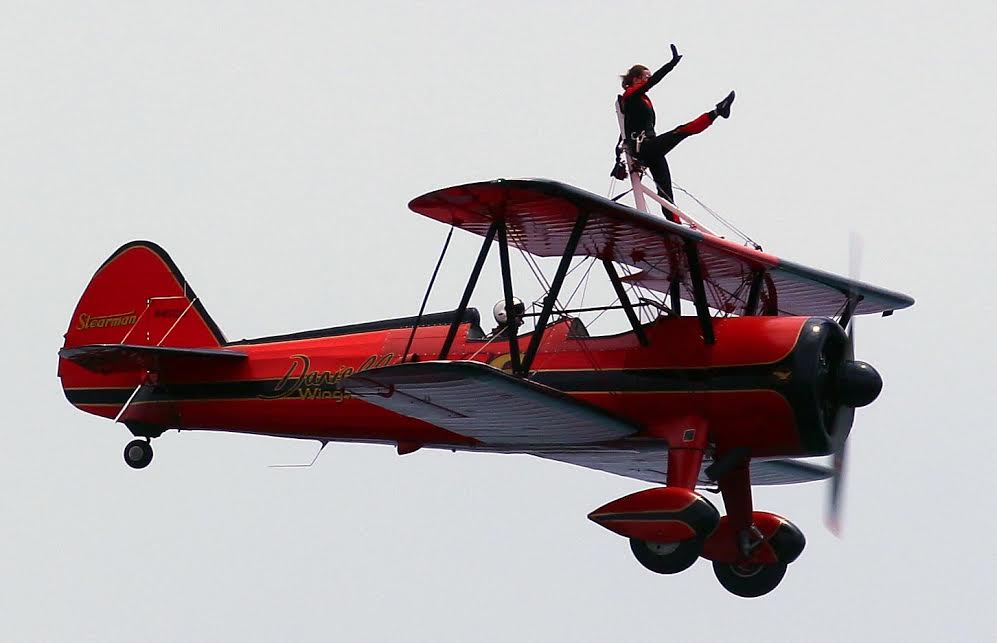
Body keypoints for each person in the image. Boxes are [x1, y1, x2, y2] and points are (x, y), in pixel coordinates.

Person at [620, 45, 735, 222]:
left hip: (652, 149)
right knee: (681, 131)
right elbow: (654, 82)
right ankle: (717, 112)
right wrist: (671, 64)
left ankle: (677, 231)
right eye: (646, 77)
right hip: (644, 148)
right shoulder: (630, 95)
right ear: (635, 79)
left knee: (666, 193)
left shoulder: (644, 100)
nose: (649, 80)